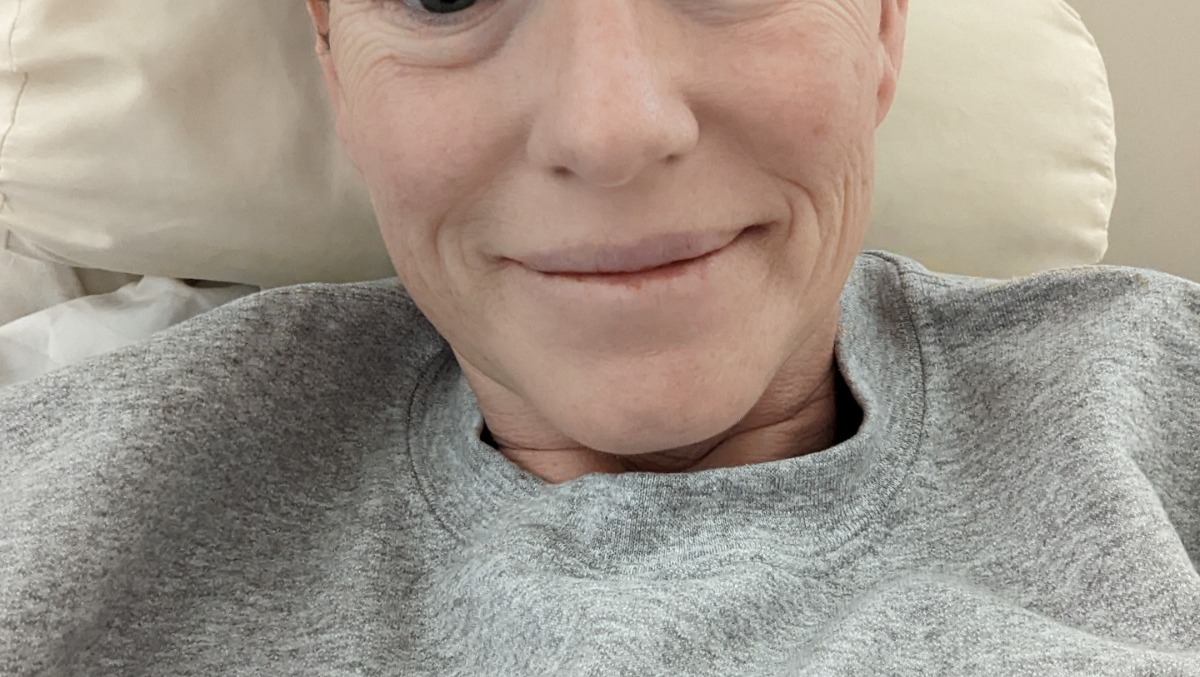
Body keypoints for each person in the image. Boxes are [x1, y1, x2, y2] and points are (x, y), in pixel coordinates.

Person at [1, 0, 1197, 673]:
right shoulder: (67, 484)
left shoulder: (1158, 397)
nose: (612, 128)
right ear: (335, 68)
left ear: (882, 24)